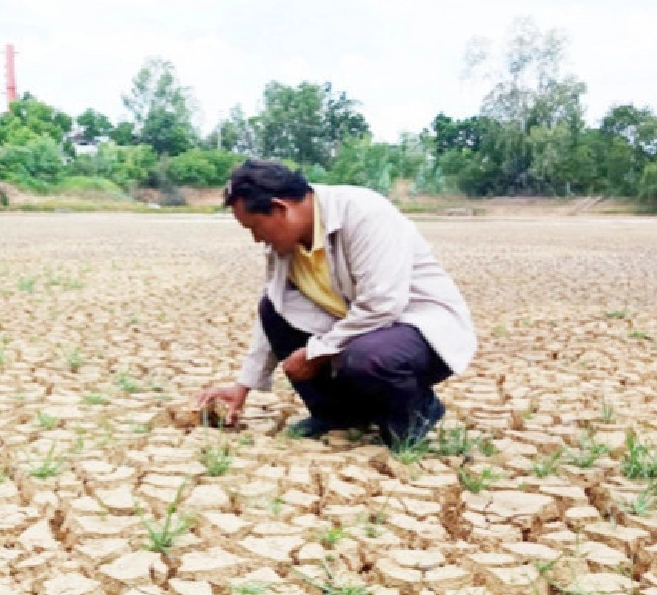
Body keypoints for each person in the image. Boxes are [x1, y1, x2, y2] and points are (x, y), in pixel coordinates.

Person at [197, 159, 477, 445]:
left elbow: (383, 304)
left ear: (281, 208)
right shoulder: (285, 245)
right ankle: (338, 415)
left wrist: (317, 351)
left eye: (255, 227)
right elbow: (276, 311)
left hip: (416, 330)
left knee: (367, 355)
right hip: (360, 327)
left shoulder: (364, 213)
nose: (257, 239)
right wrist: (242, 387)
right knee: (272, 310)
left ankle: (415, 414)